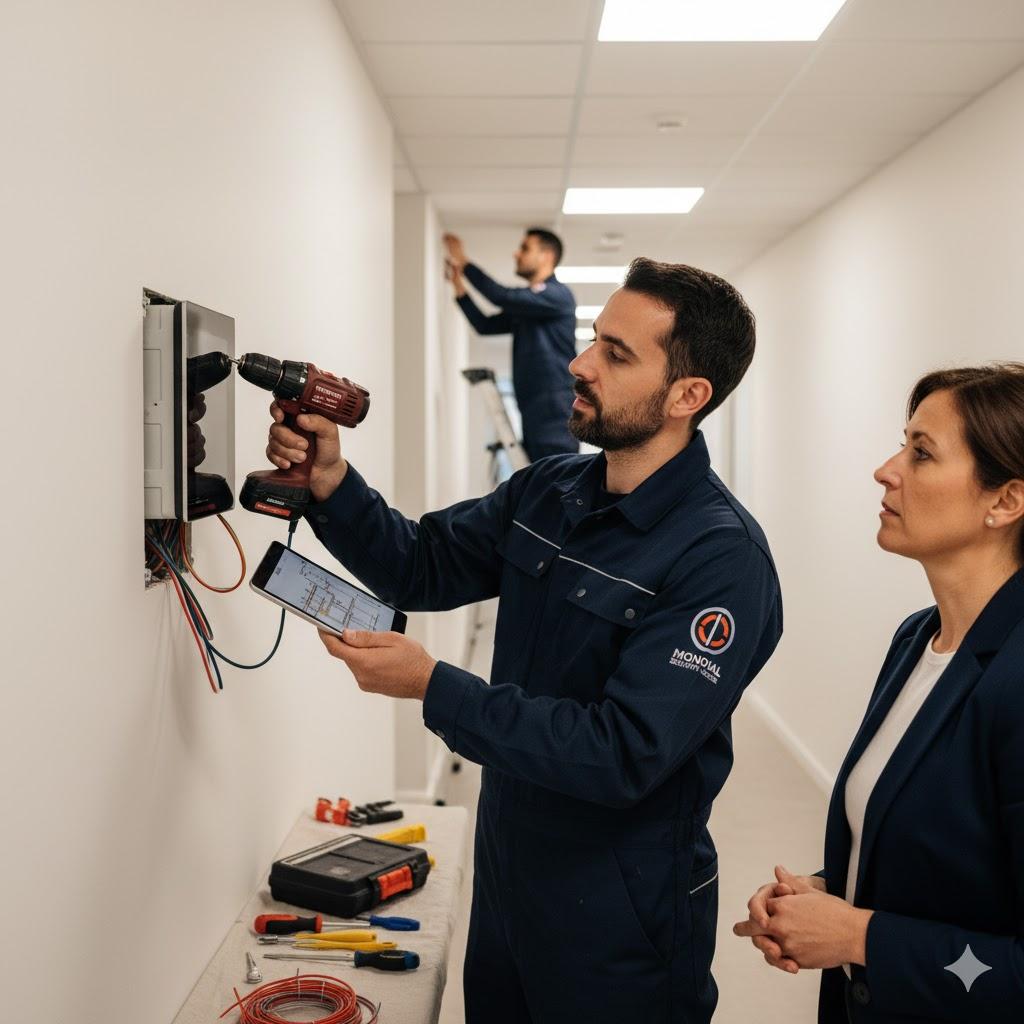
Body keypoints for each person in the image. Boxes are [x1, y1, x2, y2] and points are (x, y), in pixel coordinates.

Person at [266, 258, 783, 1023]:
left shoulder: (722, 559)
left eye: (616, 354)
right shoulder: (553, 490)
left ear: (687, 396)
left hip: (621, 917)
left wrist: (433, 685)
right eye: (592, 340)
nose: (579, 365)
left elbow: (622, 752)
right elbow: (421, 565)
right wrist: (332, 484)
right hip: (509, 878)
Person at [733, 364, 1024, 1022]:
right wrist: (825, 895)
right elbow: (954, 870)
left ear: (1005, 501)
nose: (886, 470)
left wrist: (856, 936)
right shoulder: (916, 640)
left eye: (921, 453)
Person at [444, 228, 578, 461]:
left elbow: (501, 296)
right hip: (531, 403)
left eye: (526, 248)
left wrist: (465, 263)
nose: (517, 254)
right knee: (538, 476)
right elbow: (484, 325)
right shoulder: (530, 308)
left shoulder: (557, 295)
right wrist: (458, 284)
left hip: (554, 406)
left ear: (547, 256)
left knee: (557, 477)